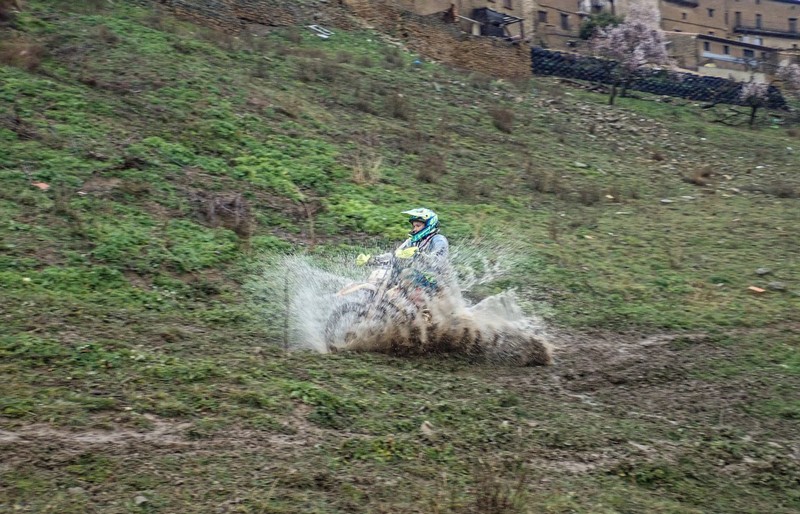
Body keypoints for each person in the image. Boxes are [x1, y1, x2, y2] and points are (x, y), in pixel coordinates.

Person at [357, 207, 450, 293]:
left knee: (406, 273)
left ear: (429, 225)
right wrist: (373, 259)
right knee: (386, 272)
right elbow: (395, 254)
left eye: (418, 226)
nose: (415, 229)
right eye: (414, 226)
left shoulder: (438, 240)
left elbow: (438, 261)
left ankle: (420, 308)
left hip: (435, 282)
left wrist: (419, 255)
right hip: (418, 278)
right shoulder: (413, 241)